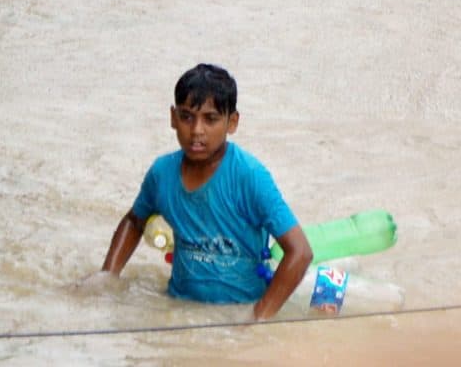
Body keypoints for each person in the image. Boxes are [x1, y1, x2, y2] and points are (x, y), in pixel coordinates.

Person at [100, 64, 313, 319]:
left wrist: (258, 319)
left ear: (232, 122)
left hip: (239, 309)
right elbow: (134, 221)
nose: (197, 130)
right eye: (187, 116)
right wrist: (107, 277)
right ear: (172, 117)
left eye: (210, 119)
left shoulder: (250, 176)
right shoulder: (162, 173)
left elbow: (300, 252)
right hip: (177, 307)